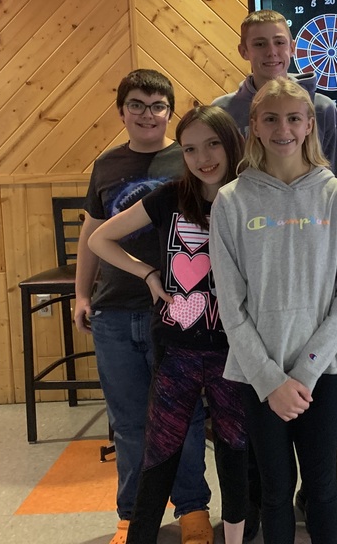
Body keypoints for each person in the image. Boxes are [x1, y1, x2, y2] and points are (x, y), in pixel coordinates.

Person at [210, 77, 337, 544]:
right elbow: (230, 304)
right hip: (262, 376)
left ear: (309, 124)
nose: (283, 128)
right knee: (275, 491)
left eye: (293, 118)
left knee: (321, 487)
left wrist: (306, 372)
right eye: (271, 118)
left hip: (322, 372)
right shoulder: (232, 201)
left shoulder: (336, 195)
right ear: (254, 126)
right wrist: (272, 381)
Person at [88, 106, 249, 544]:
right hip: (176, 348)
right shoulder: (169, 197)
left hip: (236, 350)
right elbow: (99, 238)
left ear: (231, 143)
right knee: (160, 454)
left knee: (235, 455)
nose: (203, 157)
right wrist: (148, 273)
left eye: (212, 144)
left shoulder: (252, 196)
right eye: (191, 148)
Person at [73, 69, 212, 544]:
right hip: (115, 309)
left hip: (179, 309)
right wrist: (82, 293)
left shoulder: (190, 160)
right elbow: (91, 234)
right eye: (137, 105)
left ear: (169, 112)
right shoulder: (106, 165)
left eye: (157, 106)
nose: (147, 114)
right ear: (122, 111)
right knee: (129, 421)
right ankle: (131, 514)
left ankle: (193, 508)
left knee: (186, 416)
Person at [214, 8, 337, 183]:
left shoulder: (322, 108)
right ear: (244, 51)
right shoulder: (222, 111)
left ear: (292, 47)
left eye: (279, 42)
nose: (271, 52)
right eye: (259, 44)